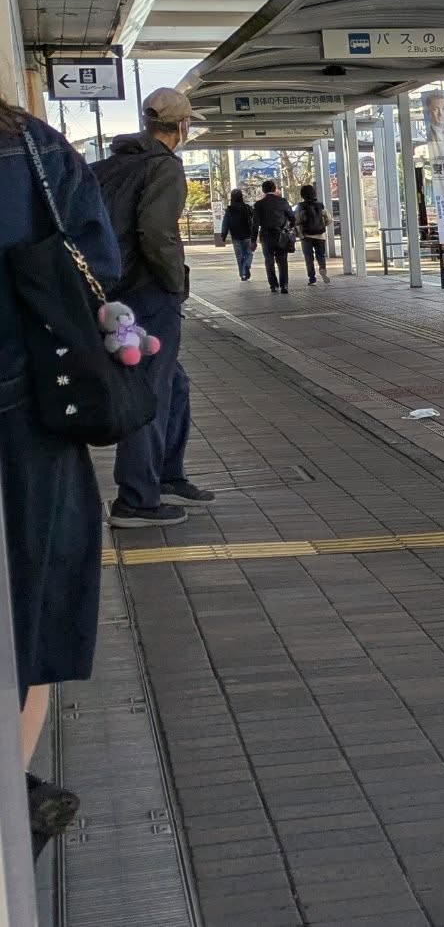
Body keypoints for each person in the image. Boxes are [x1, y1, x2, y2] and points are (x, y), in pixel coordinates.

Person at [0, 98, 118, 853]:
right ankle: (12, 797)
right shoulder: (31, 147)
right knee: (31, 614)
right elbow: (98, 269)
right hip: (25, 414)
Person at [94, 88, 213, 528]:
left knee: (172, 385)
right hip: (147, 295)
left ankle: (166, 475)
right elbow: (156, 232)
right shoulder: (164, 168)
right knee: (151, 389)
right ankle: (137, 499)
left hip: (114, 295)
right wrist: (173, 284)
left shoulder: (108, 168)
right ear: (181, 127)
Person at [252, 180, 297, 293]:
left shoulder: (259, 204)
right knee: (282, 260)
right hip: (281, 234)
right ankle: (284, 285)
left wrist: (253, 240)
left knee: (269, 260)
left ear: (263, 190)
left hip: (266, 235)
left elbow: (255, 224)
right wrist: (289, 228)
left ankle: (273, 285)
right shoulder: (283, 201)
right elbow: (292, 217)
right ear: (275, 188)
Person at [296, 184, 331, 286]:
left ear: (302, 195)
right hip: (320, 235)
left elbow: (297, 220)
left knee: (308, 257)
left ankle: (312, 278)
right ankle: (322, 269)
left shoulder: (300, 207)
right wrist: (321, 225)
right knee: (320, 255)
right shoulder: (320, 205)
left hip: (306, 236)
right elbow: (328, 220)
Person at [219, 188, 256, 281]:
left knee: (239, 256)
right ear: (241, 197)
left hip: (235, 236)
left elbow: (225, 223)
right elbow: (253, 221)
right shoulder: (247, 208)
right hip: (247, 235)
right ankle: (247, 265)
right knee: (248, 253)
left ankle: (243, 274)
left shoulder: (230, 209)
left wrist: (223, 234)